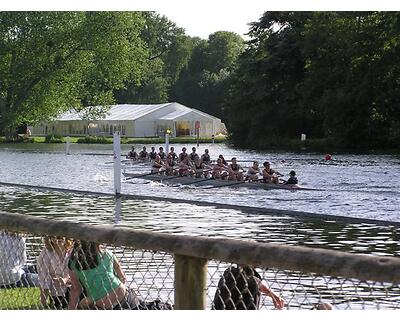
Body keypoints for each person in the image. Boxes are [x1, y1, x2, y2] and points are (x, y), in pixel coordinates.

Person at [68, 240, 134, 310]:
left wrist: (71, 309)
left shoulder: (73, 263)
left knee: (82, 304)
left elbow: (76, 289)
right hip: (120, 291)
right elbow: (122, 278)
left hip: (98, 300)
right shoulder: (107, 254)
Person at [213, 265, 284, 310]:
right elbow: (255, 282)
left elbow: (257, 283)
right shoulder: (253, 285)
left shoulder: (228, 273)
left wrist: (273, 295)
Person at [37, 236, 72, 309]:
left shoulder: (72, 252)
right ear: (50, 238)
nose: (58, 238)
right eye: (54, 236)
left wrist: (66, 280)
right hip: (57, 291)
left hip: (74, 287)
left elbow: (79, 275)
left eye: (61, 236)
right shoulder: (45, 254)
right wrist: (42, 304)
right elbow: (44, 280)